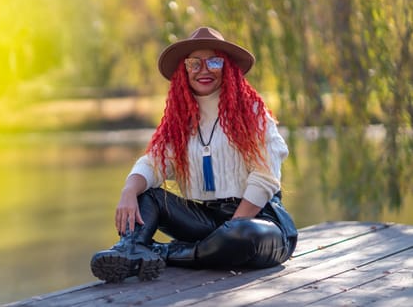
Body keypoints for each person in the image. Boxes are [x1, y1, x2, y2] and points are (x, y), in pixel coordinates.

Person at [90, 26, 298, 283]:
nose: (204, 69)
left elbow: (265, 178)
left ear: (227, 68)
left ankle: (160, 252)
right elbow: (152, 165)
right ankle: (130, 248)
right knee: (149, 195)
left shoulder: (252, 112)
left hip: (258, 222)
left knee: (240, 234)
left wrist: (230, 229)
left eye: (213, 61)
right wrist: (128, 191)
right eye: (194, 63)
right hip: (206, 221)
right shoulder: (181, 122)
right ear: (184, 71)